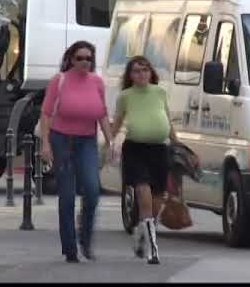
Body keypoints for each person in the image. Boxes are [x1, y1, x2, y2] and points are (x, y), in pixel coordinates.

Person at [39, 41, 113, 263]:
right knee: (67, 196)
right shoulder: (59, 81)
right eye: (80, 58)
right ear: (71, 59)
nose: (84, 62)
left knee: (92, 190)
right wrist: (45, 144)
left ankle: (86, 238)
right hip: (62, 140)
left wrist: (111, 141)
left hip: (87, 141)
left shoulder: (97, 83)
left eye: (88, 59)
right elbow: (46, 113)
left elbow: (102, 113)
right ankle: (70, 248)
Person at [111, 55, 178, 265]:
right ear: (130, 75)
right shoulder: (125, 96)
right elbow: (118, 122)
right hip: (135, 149)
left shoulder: (160, 92)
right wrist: (109, 143)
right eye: (137, 71)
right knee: (143, 192)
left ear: (151, 73)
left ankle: (142, 229)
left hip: (159, 150)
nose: (141, 74)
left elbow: (167, 118)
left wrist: (177, 142)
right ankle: (153, 249)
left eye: (145, 70)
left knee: (157, 198)